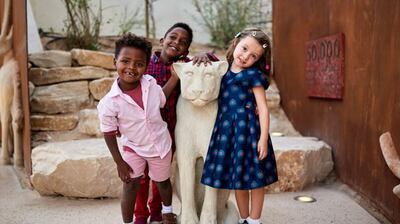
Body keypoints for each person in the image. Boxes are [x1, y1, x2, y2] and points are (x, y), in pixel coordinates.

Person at [134, 22, 218, 224]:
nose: (176, 42)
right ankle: (140, 215)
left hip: (169, 129)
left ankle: (156, 212)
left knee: (160, 175)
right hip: (142, 130)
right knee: (141, 176)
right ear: (162, 40)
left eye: (183, 42)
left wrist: (205, 54)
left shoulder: (185, 65)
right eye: (172, 37)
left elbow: (213, 63)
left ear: (186, 50)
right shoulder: (146, 65)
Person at [98, 33, 178, 224]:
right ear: (114, 61)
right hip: (133, 146)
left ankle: (167, 212)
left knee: (162, 182)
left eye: (139, 63)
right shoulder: (110, 102)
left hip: (159, 144)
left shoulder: (150, 84)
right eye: (125, 61)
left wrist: (175, 78)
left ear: (146, 66)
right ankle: (128, 221)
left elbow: (162, 98)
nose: (131, 67)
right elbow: (108, 133)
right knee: (130, 184)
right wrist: (119, 162)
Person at [200, 28, 278, 224]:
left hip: (250, 133)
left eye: (253, 56)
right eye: (244, 49)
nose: (245, 57)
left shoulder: (253, 76)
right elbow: (207, 66)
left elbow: (263, 108)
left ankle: (255, 220)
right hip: (227, 133)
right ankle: (244, 219)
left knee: (256, 180)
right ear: (236, 42)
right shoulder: (223, 71)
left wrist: (263, 139)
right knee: (238, 180)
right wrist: (203, 55)